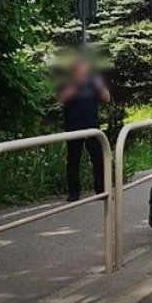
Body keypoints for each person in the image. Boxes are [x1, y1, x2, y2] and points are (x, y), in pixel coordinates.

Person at [57, 58, 111, 201]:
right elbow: (62, 98)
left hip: (92, 128)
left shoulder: (93, 83)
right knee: (73, 160)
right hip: (74, 128)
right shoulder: (67, 83)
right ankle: (74, 193)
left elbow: (107, 98)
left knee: (98, 160)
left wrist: (100, 86)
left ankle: (101, 190)